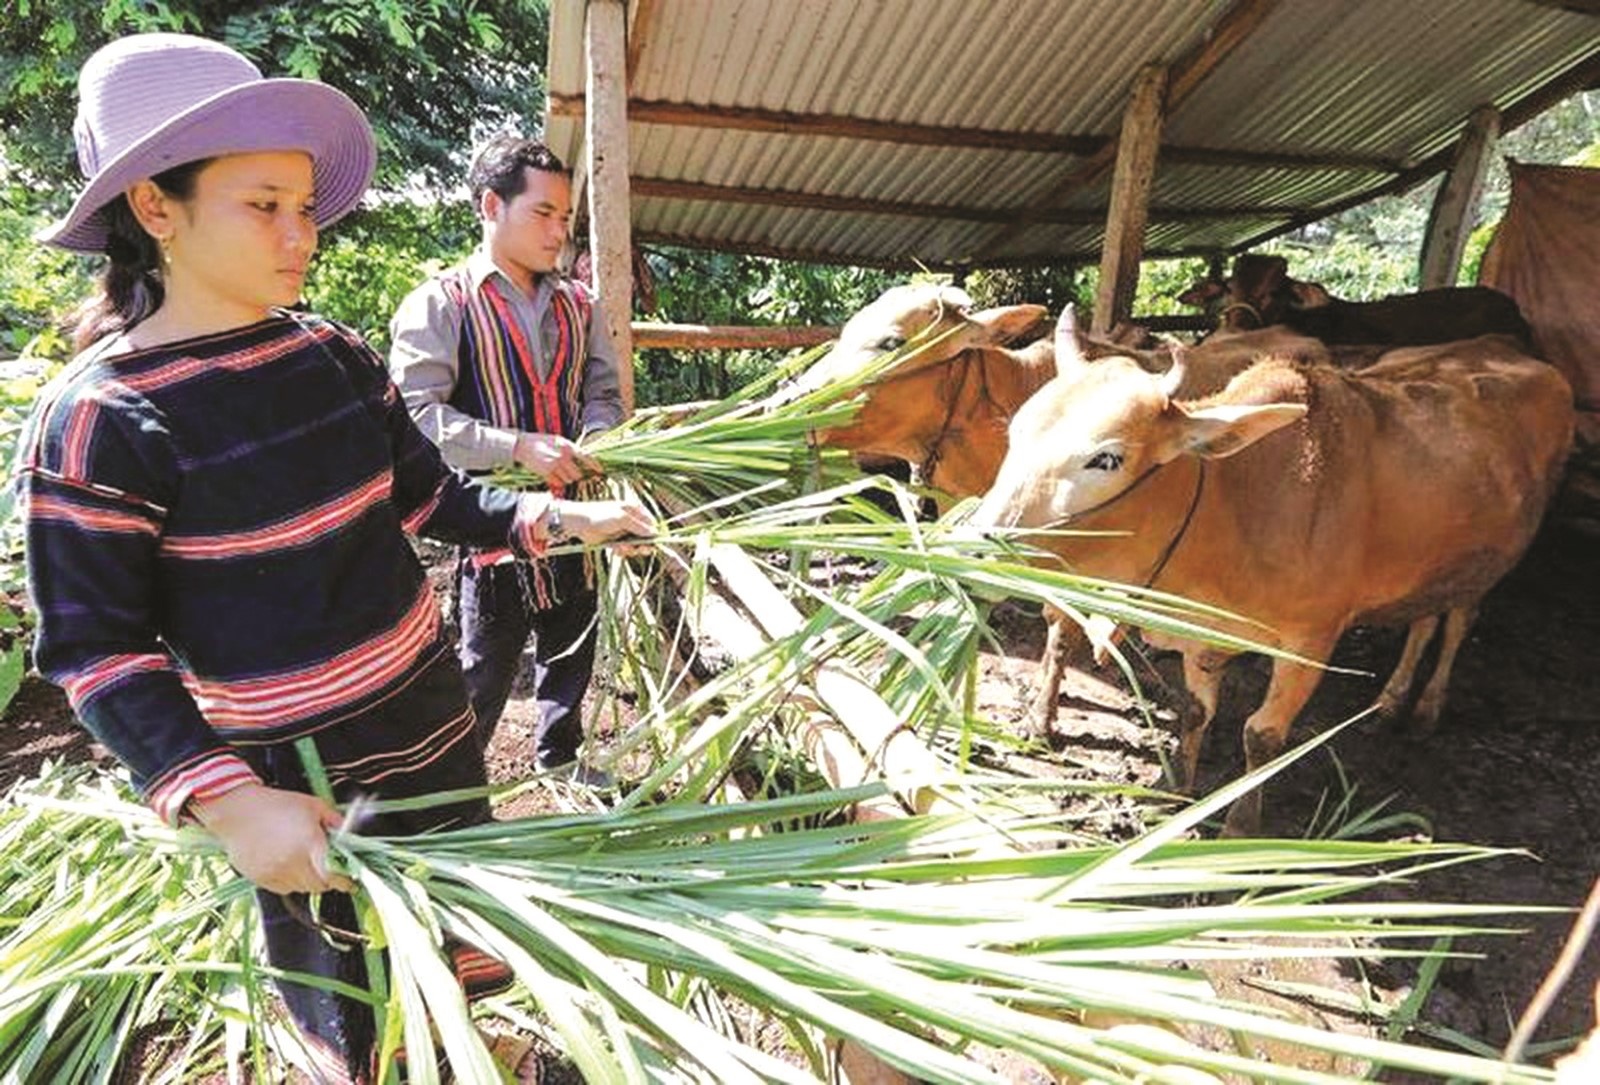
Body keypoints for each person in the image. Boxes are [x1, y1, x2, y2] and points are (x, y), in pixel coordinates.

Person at [19, 33, 653, 1083]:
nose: (297, 232)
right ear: (154, 208)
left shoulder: (334, 356)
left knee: (461, 939)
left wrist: (557, 521)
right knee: (351, 1003)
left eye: (303, 205)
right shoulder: (100, 419)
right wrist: (225, 800)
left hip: (429, 726)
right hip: (297, 786)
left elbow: (430, 497)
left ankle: (479, 1048)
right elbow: (97, 647)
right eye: (262, 204)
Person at [388, 135, 626, 781]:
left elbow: (602, 392)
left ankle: (563, 761)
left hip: (577, 519)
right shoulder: (442, 303)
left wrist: (599, 435)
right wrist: (515, 447)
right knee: (483, 666)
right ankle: (453, 793)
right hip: (492, 526)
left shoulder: (580, 304)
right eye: (542, 214)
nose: (558, 232)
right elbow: (414, 419)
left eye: (565, 218)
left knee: (572, 646)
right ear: (492, 206)